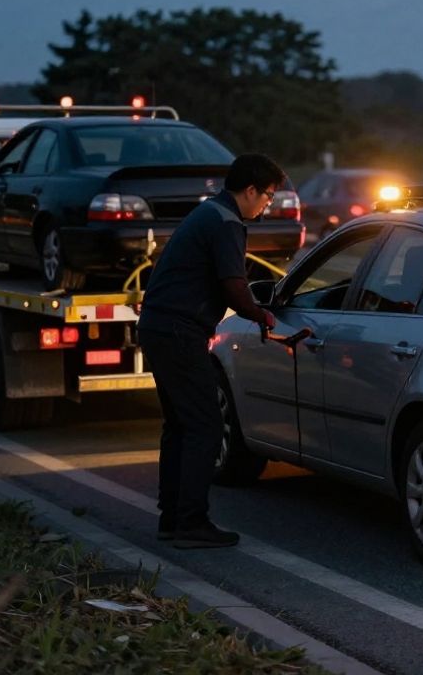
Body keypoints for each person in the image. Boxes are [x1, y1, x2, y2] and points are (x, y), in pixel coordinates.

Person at [137, 153, 283, 549]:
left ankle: (172, 519)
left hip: (159, 326)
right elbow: (234, 286)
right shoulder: (227, 223)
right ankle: (191, 523)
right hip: (179, 331)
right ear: (250, 190)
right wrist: (261, 315)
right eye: (268, 195)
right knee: (204, 425)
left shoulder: (209, 214)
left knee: (180, 426)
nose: (268, 204)